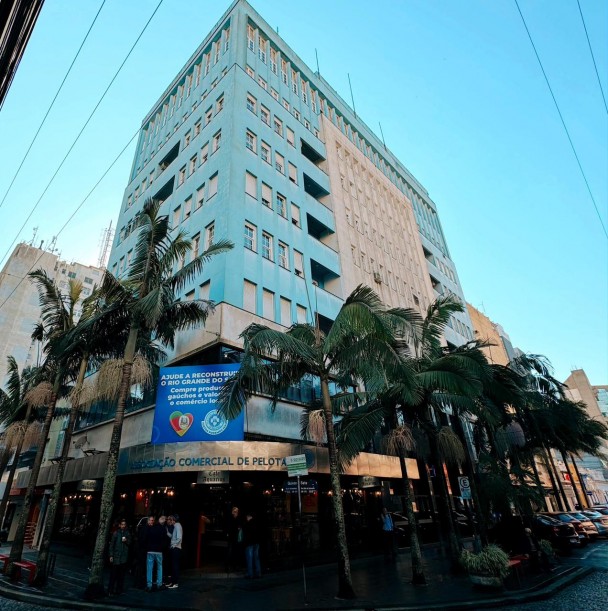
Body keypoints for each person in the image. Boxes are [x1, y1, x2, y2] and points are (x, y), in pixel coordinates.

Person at [108, 518, 131, 596]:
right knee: (113, 575)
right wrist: (111, 555)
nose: (123, 526)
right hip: (116, 557)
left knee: (121, 576)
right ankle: (110, 590)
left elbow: (130, 543)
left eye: (124, 525)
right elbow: (111, 545)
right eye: (122, 524)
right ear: (119, 525)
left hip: (123, 558)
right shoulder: (116, 533)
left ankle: (119, 590)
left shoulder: (127, 533)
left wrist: (126, 541)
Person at [144, 515, 166, 592]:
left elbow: (146, 538)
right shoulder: (162, 528)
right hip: (159, 551)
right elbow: (165, 539)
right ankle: (159, 584)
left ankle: (149, 585)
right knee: (159, 567)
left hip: (150, 550)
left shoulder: (150, 528)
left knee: (149, 568)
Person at [243, 512, 261, 579]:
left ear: (249, 517)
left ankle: (250, 574)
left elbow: (246, 535)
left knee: (249, 558)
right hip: (256, 543)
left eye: (247, 517)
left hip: (250, 543)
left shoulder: (247, 524)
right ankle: (258, 573)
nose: (246, 518)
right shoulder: (256, 523)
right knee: (256, 558)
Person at [167, 515, 183, 588]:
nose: (170, 521)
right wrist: (167, 532)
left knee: (175, 566)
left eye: (172, 519)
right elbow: (173, 537)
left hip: (176, 548)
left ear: (174, 520)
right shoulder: (176, 526)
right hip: (175, 548)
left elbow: (179, 538)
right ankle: (172, 582)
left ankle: (175, 583)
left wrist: (173, 545)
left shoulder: (177, 525)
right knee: (173, 566)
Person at [226, 506, 242, 572]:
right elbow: (228, 527)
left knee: (236, 552)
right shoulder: (230, 518)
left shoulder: (238, 518)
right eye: (235, 511)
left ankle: (235, 566)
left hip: (236, 538)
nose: (236, 513)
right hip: (231, 537)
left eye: (237, 511)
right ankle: (228, 567)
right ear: (232, 512)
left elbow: (240, 526)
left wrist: (239, 528)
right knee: (229, 552)